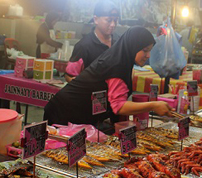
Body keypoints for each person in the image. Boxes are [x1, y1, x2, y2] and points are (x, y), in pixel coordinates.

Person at [44, 26, 172, 128]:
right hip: (63, 113)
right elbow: (119, 106)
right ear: (133, 46)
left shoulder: (121, 59)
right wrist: (153, 105)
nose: (148, 55)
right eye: (145, 50)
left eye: (150, 50)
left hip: (76, 114)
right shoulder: (116, 65)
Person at [65, 0, 119, 82]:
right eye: (108, 20)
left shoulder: (119, 42)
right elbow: (70, 76)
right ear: (96, 19)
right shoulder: (84, 46)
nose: (113, 24)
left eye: (115, 20)